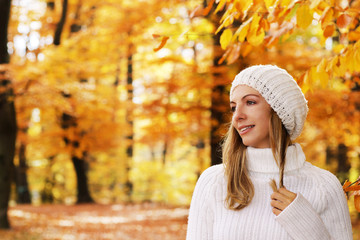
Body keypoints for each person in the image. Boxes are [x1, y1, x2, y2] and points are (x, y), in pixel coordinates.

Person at [186, 65, 353, 240]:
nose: (237, 116)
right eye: (234, 107)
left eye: (250, 102)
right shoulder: (214, 181)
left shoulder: (324, 187)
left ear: (280, 111)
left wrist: (306, 225)